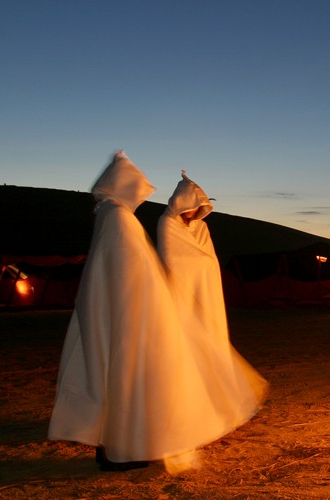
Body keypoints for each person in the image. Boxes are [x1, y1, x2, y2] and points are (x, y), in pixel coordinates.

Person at [48, 152, 239, 472]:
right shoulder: (118, 219)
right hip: (127, 317)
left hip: (118, 314)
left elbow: (135, 269)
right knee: (125, 379)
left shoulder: (110, 214)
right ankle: (120, 450)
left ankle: (116, 447)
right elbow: (137, 270)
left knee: (114, 378)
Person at [157, 171, 267, 437]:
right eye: (191, 206)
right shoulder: (167, 223)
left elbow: (208, 260)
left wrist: (202, 266)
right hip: (177, 292)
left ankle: (218, 402)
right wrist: (200, 265)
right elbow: (174, 258)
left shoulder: (201, 227)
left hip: (202, 288)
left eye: (198, 208)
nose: (194, 213)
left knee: (209, 340)